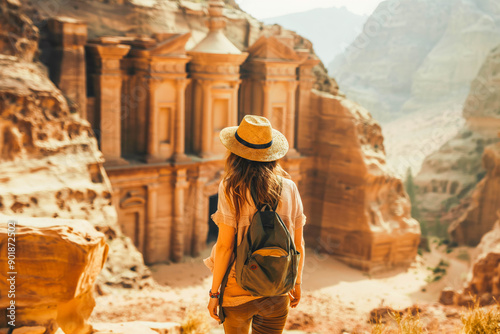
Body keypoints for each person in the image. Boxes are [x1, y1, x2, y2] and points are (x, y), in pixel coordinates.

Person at [203, 115, 306, 334]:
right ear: (272, 154)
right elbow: (298, 245)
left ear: (235, 153)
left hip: (237, 291)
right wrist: (296, 283)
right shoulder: (290, 188)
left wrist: (214, 294)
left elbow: (224, 247)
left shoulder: (231, 188)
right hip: (277, 289)